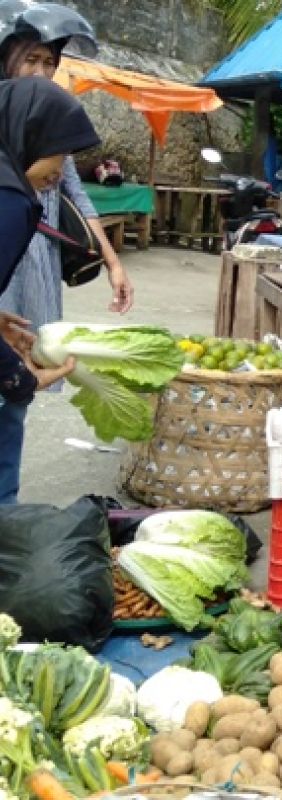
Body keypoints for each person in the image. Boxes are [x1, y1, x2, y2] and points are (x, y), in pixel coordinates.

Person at [0, 1, 133, 504]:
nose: (41, 73)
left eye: (48, 64)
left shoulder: (48, 117)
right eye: (30, 60)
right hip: (5, 244)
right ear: (7, 55)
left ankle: (5, 508)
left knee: (17, 387)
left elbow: (75, 190)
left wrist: (113, 261)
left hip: (32, 260)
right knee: (10, 376)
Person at [0, 77, 94, 407]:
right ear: (30, 138)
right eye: (59, 153)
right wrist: (20, 379)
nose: (58, 171)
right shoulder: (11, 201)